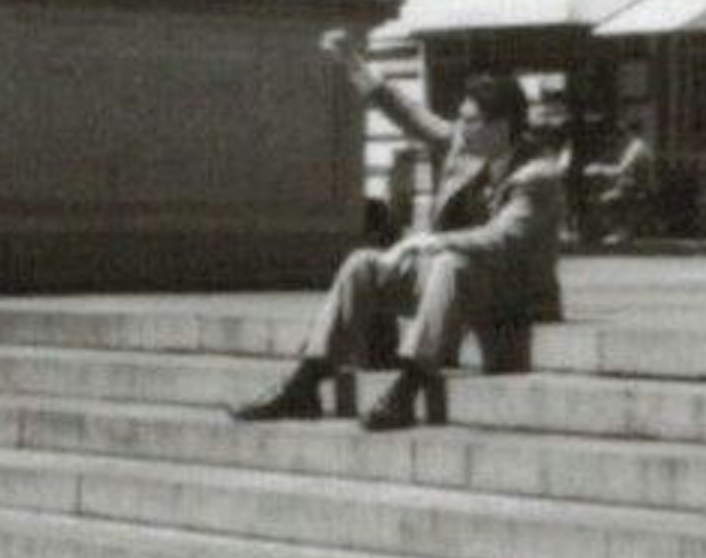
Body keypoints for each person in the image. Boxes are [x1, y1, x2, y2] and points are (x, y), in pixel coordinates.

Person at [235, 37, 566, 432]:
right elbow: (409, 114)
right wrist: (354, 64)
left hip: (513, 294)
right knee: (363, 264)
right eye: (460, 118)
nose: (460, 128)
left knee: (447, 262)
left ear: (502, 127)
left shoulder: (538, 176)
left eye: (470, 121)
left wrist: (429, 240)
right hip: (454, 283)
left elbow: (503, 239)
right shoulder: (467, 147)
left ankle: (410, 386)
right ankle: (306, 380)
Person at [576, 112, 661, 248]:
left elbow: (622, 170)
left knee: (602, 201)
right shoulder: (638, 146)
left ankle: (621, 233)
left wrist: (599, 169)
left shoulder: (636, 148)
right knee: (606, 196)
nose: (620, 135)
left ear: (629, 130)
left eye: (622, 131)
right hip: (634, 187)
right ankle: (623, 232)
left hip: (638, 189)